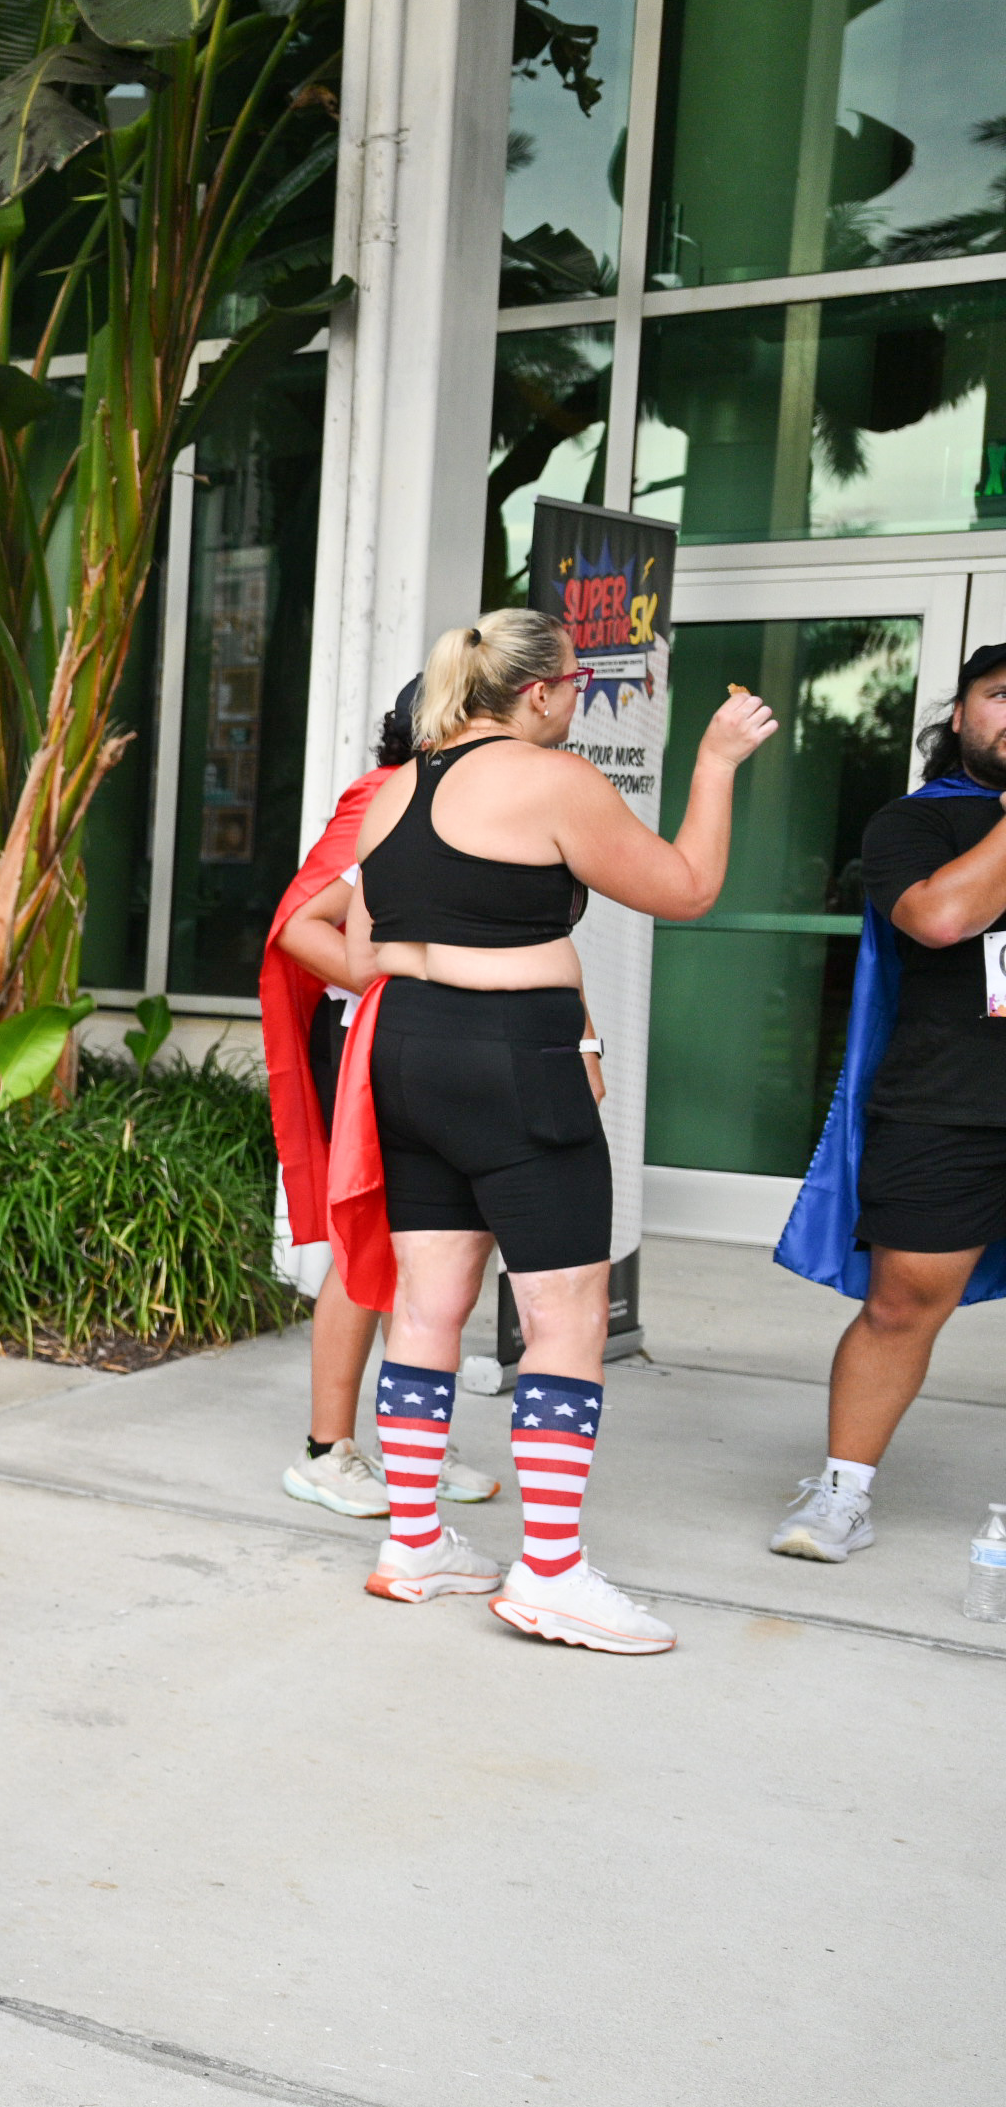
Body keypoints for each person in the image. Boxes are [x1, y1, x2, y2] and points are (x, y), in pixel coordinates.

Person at [323, 608, 774, 1653]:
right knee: (567, 1313)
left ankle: (416, 1541)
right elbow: (688, 887)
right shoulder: (551, 778)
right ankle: (554, 1572)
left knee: (429, 1306)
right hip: (513, 1058)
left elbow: (356, 937)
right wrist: (714, 764)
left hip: (404, 1052)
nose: (579, 703)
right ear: (535, 693)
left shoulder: (394, 790)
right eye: (575, 686)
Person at [770, 646, 1006, 1558]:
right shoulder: (913, 822)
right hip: (947, 1099)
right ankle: (842, 1495)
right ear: (960, 716)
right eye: (1001, 696)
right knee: (903, 1303)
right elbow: (943, 919)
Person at [265, 685, 497, 1521]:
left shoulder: (469, 794)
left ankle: (413, 1447)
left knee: (430, 1246)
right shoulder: (385, 794)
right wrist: (379, 977)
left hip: (440, 1047)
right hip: (375, 1044)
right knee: (375, 1239)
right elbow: (297, 920)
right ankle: (328, 1451)